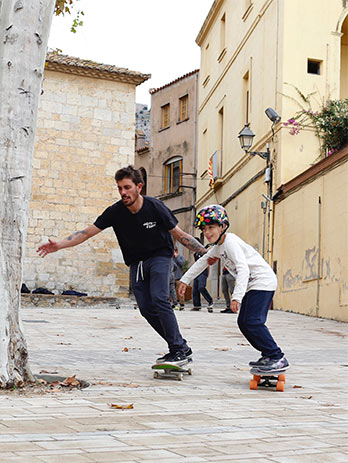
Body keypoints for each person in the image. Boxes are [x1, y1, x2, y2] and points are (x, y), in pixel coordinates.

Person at [37, 166, 207, 367]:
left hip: (160, 256)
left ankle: (177, 349)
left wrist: (206, 253)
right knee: (145, 308)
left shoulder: (155, 207)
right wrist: (59, 245)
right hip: (137, 263)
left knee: (160, 299)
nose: (123, 193)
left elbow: (180, 235)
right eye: (120, 188)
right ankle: (180, 347)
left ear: (139, 187)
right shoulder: (115, 212)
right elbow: (87, 233)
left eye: (127, 187)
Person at [178, 204, 290, 373]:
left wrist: (236, 297)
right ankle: (268, 354)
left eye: (211, 227)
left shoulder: (230, 242)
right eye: (204, 229)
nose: (207, 233)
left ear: (223, 226)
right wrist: (184, 280)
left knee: (253, 322)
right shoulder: (218, 247)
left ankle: (276, 356)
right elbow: (202, 262)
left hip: (262, 282)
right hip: (253, 284)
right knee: (243, 323)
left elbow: (243, 268)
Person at [191, 239, 214, 312]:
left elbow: (207, 263)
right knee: (195, 289)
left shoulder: (203, 252)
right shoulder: (195, 254)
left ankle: (210, 301)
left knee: (201, 287)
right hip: (197, 272)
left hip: (203, 272)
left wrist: (207, 273)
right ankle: (197, 305)